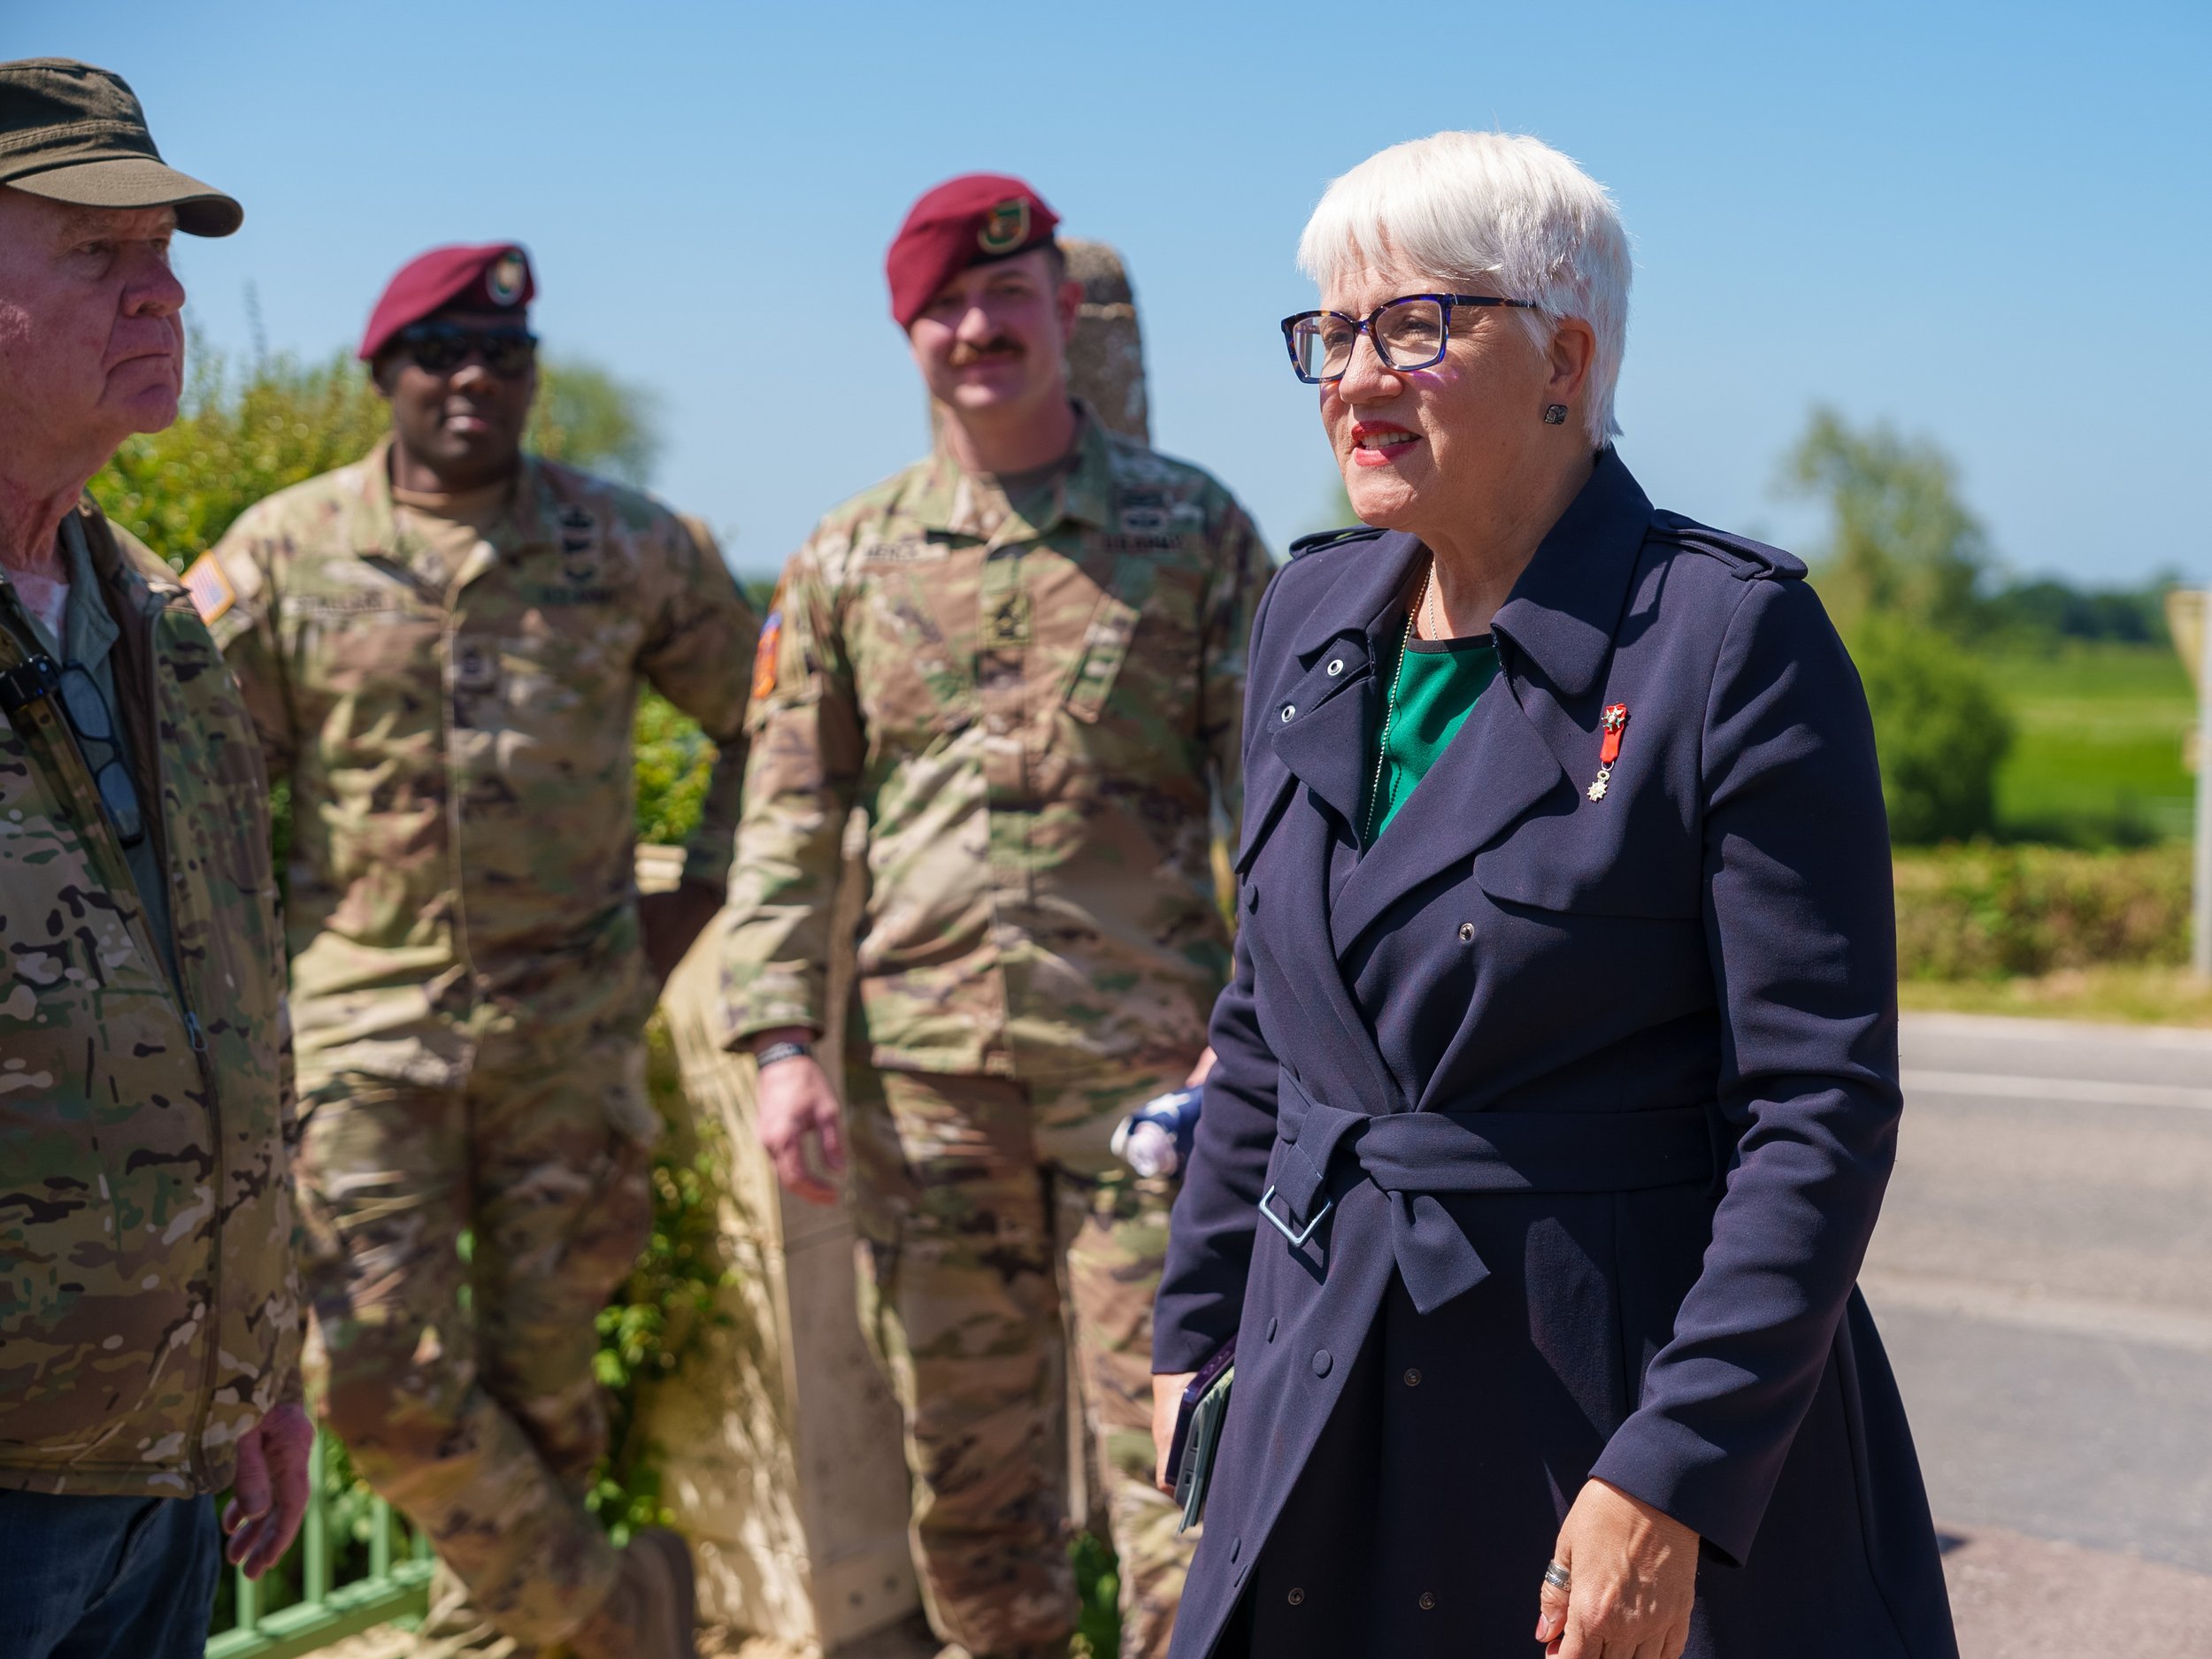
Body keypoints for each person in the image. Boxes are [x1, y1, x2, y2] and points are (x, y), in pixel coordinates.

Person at [1148, 131, 1959, 1659]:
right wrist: (1194, 1325)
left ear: (1564, 361)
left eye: (1417, 326)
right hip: (1323, 1390)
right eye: (1331, 332)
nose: (1355, 376)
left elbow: (1820, 1110)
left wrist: (1675, 1472)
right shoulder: (1308, 611)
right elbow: (1268, 1017)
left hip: (1604, 1406)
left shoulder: (1727, 642)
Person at [721, 173, 1272, 1659]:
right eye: (948, 305)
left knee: (1189, 1475)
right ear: (911, 333)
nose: (981, 327)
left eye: (1009, 297)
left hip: (1151, 1098)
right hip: (928, 1098)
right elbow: (787, 814)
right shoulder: (848, 555)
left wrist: (1265, 1037)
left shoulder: (1195, 533)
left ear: (1061, 314)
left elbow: (1282, 815)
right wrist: (780, 1039)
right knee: (973, 1501)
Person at [198, 242, 759, 1659]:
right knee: (377, 1374)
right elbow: (195, 781)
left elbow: (773, 719)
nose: (472, 379)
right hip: (356, 1038)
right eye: (440, 352)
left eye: (503, 356)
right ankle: (623, 1612)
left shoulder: (627, 544)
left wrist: (686, 906)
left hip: (567, 1038)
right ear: (381, 373)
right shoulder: (283, 552)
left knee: (545, 1394)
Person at [0, 56, 311, 1659]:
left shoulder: (164, 622)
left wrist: (258, 1362)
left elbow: (233, 1006)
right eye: (100, 257)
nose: (163, 300)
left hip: (161, 1462)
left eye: (169, 264)